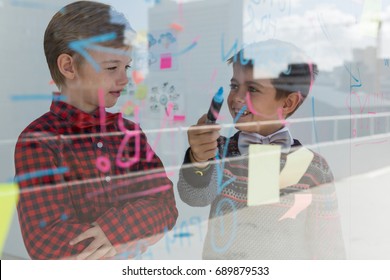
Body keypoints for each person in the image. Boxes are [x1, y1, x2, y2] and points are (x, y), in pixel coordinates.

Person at [14, 1, 178, 260]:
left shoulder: (130, 133)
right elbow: (45, 243)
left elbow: (166, 206)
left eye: (126, 67)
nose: (125, 79)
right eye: (112, 67)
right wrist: (131, 234)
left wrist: (116, 232)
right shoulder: (38, 141)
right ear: (68, 67)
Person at [177, 40, 346, 259]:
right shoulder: (218, 151)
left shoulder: (315, 168)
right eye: (234, 86)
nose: (236, 98)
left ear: (288, 103)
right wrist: (198, 158)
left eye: (253, 89)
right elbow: (195, 197)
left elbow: (328, 246)